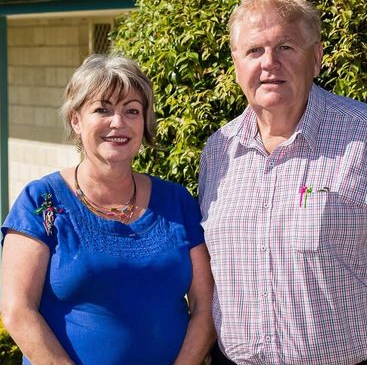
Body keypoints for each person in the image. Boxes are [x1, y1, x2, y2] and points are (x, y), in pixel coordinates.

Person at [199, 0, 367, 365]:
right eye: (254, 51)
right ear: (237, 63)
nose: (269, 63)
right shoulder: (218, 151)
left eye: (286, 47)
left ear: (317, 57)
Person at [1, 54, 215, 365]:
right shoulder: (41, 201)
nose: (119, 123)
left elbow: (205, 305)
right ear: (76, 120)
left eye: (132, 111)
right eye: (102, 109)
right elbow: (17, 310)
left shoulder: (177, 202)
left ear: (144, 123)